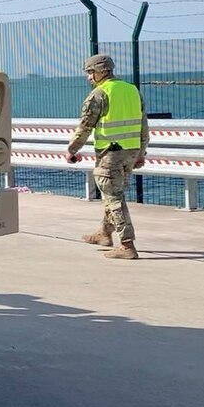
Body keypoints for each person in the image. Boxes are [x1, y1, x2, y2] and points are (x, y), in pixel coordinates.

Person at [65, 53, 149, 260]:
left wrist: (72, 149)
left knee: (114, 198)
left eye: (90, 72)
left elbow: (85, 126)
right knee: (113, 193)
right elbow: (143, 125)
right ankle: (104, 233)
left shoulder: (99, 94)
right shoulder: (132, 90)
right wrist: (141, 152)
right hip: (130, 152)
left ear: (102, 71)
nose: (89, 77)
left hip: (110, 154)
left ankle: (127, 245)